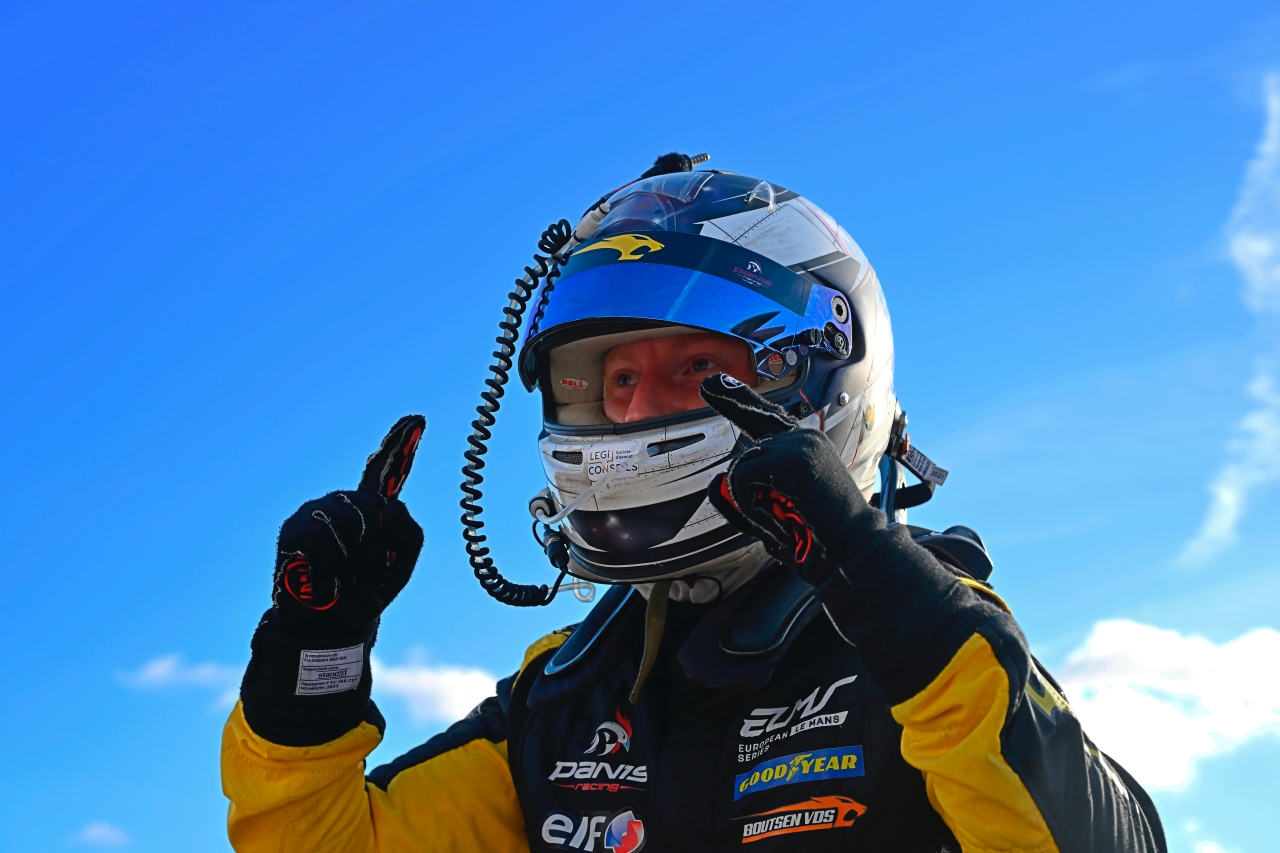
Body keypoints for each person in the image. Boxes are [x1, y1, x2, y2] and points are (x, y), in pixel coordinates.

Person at [221, 156, 1167, 852]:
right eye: (618, 377)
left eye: (696, 366)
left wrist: (903, 606)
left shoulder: (927, 646)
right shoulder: (564, 695)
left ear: (814, 379)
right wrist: (317, 649)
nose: (636, 411)